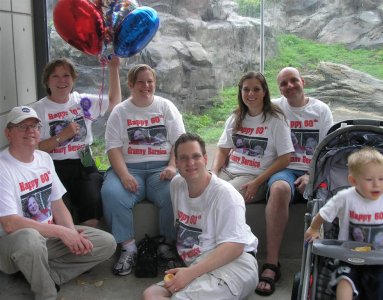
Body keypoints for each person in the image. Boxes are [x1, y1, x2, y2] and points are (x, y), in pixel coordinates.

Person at [0, 106, 116, 300]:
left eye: (35, 126)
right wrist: (63, 233)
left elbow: (57, 204)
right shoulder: (3, 167)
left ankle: (41, 274)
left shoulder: (44, 158)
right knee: (30, 238)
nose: (30, 131)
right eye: (22, 126)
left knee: (106, 243)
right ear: (8, 133)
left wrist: (71, 233)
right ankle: (46, 293)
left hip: (47, 239)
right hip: (14, 245)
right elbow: (10, 224)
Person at [142, 133, 259, 300]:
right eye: (183, 158)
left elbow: (235, 247)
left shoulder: (225, 195)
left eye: (196, 156)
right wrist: (190, 271)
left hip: (234, 263)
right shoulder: (176, 185)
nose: (190, 163)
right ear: (176, 162)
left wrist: (190, 273)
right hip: (200, 265)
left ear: (205, 159)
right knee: (151, 294)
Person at [101, 64, 186, 276]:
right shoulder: (120, 111)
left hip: (161, 169)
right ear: (130, 84)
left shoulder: (166, 107)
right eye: (140, 81)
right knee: (111, 192)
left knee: (175, 190)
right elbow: (113, 148)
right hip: (130, 168)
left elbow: (179, 141)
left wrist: (172, 165)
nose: (146, 86)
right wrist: (123, 175)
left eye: (150, 81)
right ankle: (128, 248)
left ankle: (167, 244)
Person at [256, 67, 334, 296]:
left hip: (315, 171)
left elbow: (329, 149)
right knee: (279, 188)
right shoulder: (275, 108)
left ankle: (328, 262)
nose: (289, 86)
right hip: (285, 170)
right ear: (278, 88)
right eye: (283, 83)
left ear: (303, 82)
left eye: (293, 81)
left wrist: (312, 174)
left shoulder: (320, 110)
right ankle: (271, 264)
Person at [32, 56, 121, 228]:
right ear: (47, 81)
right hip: (53, 166)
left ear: (73, 79)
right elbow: (35, 149)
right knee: (63, 214)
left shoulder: (82, 101)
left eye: (66, 75)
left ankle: (90, 249)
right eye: (55, 76)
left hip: (84, 162)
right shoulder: (38, 109)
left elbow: (113, 102)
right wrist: (61, 136)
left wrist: (113, 69)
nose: (61, 81)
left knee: (92, 203)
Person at [305, 147, 383, 300]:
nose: (377, 184)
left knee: (377, 290)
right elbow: (323, 212)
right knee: (344, 281)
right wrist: (314, 228)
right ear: (353, 181)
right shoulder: (345, 197)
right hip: (348, 256)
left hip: (379, 258)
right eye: (369, 180)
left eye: (382, 179)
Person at [211, 71, 293, 204]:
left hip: (254, 176)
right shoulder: (235, 117)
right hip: (227, 172)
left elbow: (285, 158)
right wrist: (213, 172)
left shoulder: (276, 120)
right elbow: (222, 149)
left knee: (222, 198)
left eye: (256, 89)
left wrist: (257, 182)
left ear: (264, 92)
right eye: (246, 89)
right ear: (240, 92)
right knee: (203, 191)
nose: (251, 94)